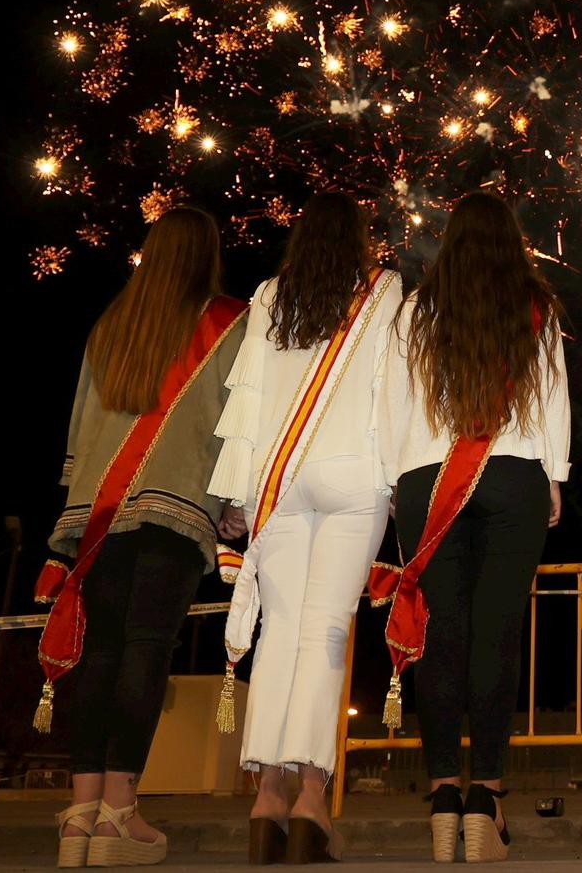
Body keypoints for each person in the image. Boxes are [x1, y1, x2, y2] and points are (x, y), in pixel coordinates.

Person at [39, 207, 248, 869]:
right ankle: (120, 813)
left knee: (99, 651)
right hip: (176, 502)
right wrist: (236, 503)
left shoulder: (111, 322)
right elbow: (235, 419)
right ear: (207, 254)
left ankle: (81, 812)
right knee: (146, 650)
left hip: (95, 513)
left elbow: (78, 425)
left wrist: (78, 494)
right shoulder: (228, 322)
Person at [212, 194, 404, 865]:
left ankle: (267, 796)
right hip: (356, 473)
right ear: (359, 236)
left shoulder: (270, 295)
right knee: (326, 632)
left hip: (278, 478)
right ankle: (312, 802)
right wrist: (403, 479)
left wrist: (238, 493)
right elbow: (394, 389)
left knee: (280, 631)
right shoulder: (385, 290)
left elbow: (249, 397)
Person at [381, 192, 569, 864]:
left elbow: (393, 404)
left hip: (428, 478)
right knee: (497, 636)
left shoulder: (415, 308)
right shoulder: (534, 300)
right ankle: (486, 799)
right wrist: (554, 473)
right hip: (514, 470)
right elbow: (553, 395)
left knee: (440, 636)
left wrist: (393, 483)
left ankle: (441, 798)